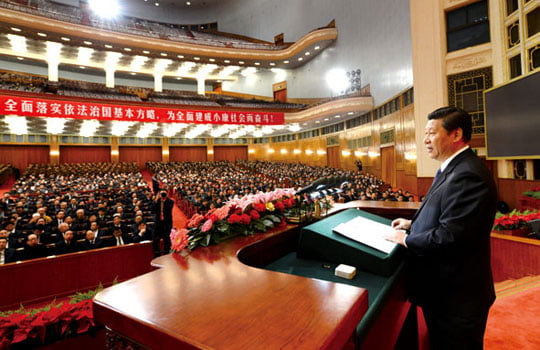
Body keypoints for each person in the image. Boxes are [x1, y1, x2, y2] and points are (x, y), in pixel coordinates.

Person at [385, 107, 497, 350]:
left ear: (456, 135)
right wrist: (413, 224)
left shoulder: (468, 175)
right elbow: (447, 215)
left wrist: (405, 239)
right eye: (425, 133)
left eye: (431, 133)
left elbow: (451, 237)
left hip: (458, 297)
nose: (425, 139)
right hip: (444, 293)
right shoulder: (453, 168)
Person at [152, 190, 174, 256]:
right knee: (156, 239)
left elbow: (169, 208)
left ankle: (167, 253)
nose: (163, 195)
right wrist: (156, 200)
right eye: (162, 193)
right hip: (158, 223)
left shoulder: (170, 202)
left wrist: (164, 201)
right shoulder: (157, 201)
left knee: (167, 239)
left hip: (167, 223)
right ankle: (156, 254)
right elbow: (152, 209)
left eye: (164, 193)